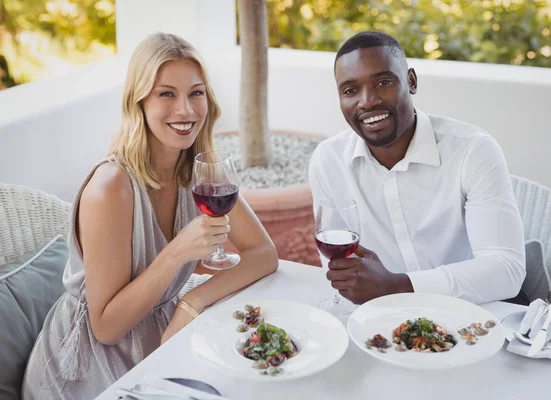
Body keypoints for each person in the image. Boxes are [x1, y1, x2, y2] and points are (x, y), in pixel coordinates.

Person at [22, 32, 278, 399]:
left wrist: (193, 302)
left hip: (166, 332)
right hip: (88, 365)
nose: (186, 110)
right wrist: (177, 252)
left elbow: (264, 253)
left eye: (196, 92)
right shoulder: (112, 187)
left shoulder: (201, 173)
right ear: (138, 102)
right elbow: (106, 328)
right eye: (166, 94)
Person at [309, 31, 525, 306]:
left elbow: (507, 270)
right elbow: (340, 266)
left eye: (383, 82)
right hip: (382, 317)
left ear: (411, 81)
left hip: (474, 312)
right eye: (350, 90)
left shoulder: (472, 150)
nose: (367, 101)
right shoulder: (328, 160)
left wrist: (399, 286)